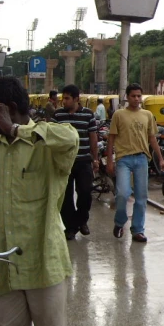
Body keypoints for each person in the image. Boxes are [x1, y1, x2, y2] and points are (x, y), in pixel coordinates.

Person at [0, 76, 78, 326]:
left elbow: (71, 139)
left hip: (44, 264)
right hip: (1, 270)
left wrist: (15, 130)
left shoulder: (47, 143)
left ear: (8, 109)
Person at [106, 83, 164, 243]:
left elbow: (152, 138)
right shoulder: (118, 115)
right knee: (123, 193)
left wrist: (160, 159)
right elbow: (111, 138)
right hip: (123, 159)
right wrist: (109, 160)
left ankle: (138, 230)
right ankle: (120, 222)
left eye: (139, 96)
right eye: (133, 96)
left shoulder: (147, 115)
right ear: (127, 97)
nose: (136, 99)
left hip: (141, 159)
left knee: (141, 197)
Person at [52, 84, 99, 240]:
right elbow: (52, 136)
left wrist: (96, 158)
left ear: (76, 99)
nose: (63, 101)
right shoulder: (58, 115)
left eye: (67, 98)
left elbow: (93, 138)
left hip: (84, 160)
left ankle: (81, 220)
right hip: (64, 162)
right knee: (65, 196)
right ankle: (70, 228)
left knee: (85, 192)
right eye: (62, 98)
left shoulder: (88, 115)